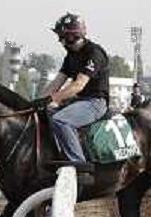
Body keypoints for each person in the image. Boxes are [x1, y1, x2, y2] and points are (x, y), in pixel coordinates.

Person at [37, 12, 110, 164]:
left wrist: (53, 98)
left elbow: (78, 85)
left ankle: (78, 165)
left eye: (61, 36)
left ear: (72, 36)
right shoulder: (70, 56)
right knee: (45, 112)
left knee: (61, 120)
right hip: (78, 102)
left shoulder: (95, 53)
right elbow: (56, 83)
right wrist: (37, 102)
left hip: (95, 103)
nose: (60, 40)